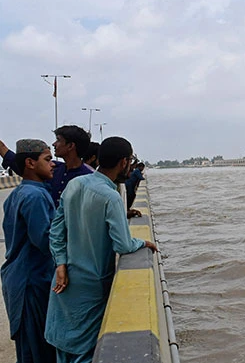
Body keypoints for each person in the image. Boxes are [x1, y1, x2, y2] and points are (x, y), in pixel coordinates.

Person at [44, 136, 158, 362]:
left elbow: (56, 231)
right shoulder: (110, 197)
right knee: (86, 351)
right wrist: (142, 243)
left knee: (65, 350)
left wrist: (60, 263)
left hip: (65, 281)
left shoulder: (75, 184)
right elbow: (123, 244)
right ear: (124, 162)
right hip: (92, 287)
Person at [1, 139, 57, 362]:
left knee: (29, 349)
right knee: (38, 351)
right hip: (31, 282)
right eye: (48, 159)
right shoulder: (34, 196)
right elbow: (44, 240)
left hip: (20, 278)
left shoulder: (20, 193)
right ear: (31, 163)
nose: (53, 164)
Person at [0, 125, 93, 206]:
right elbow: (20, 164)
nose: (54, 144)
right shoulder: (52, 169)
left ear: (70, 146)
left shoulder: (89, 178)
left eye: (58, 140)